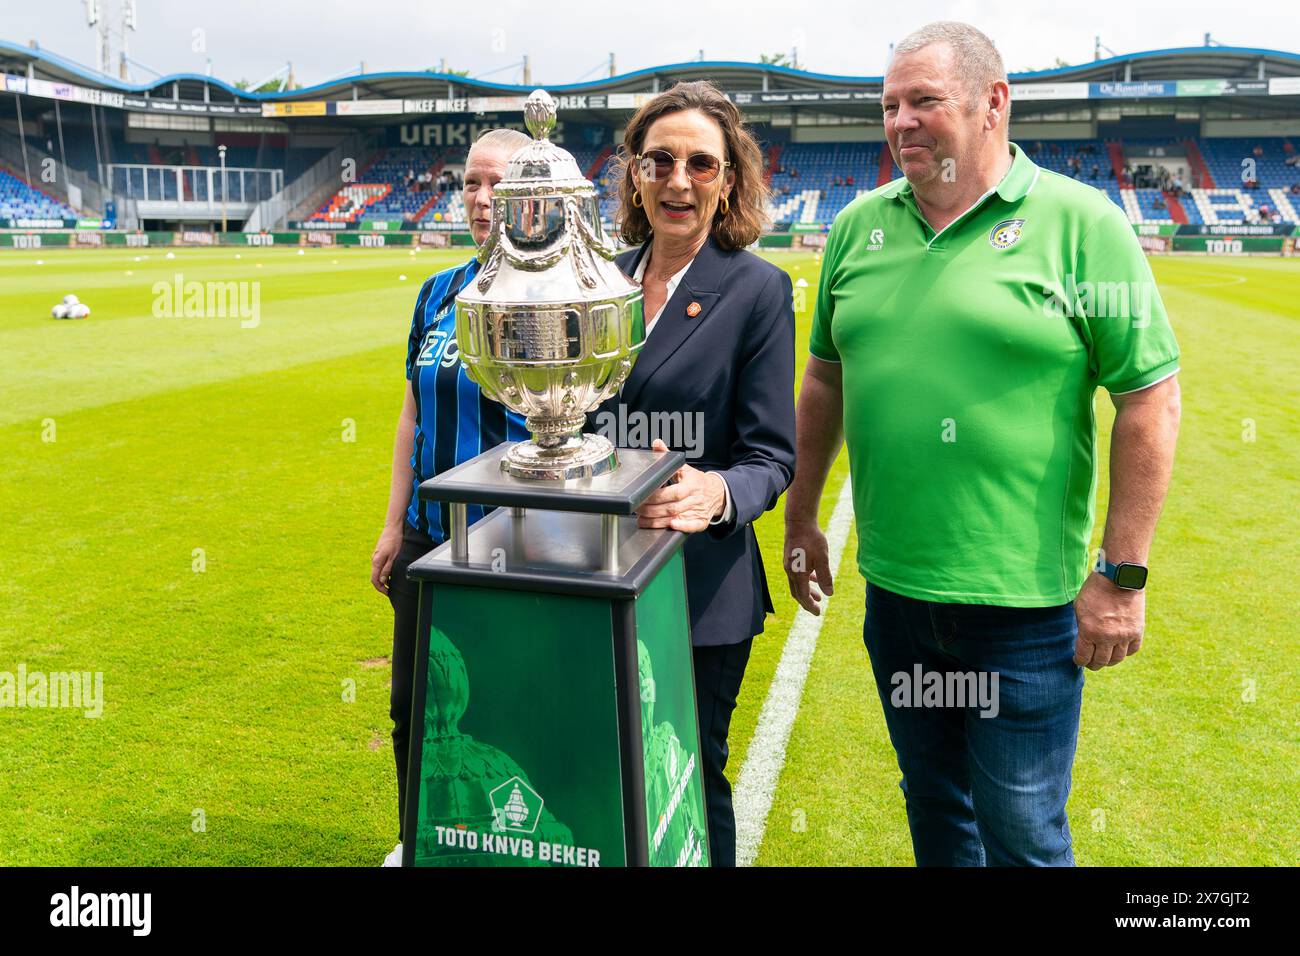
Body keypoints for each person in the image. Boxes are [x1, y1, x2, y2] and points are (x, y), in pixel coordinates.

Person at [784, 21, 1181, 867]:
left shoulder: (1083, 225)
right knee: (933, 806)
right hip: (896, 597)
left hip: (1025, 612)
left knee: (1024, 835)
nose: (900, 123)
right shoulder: (857, 228)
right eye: (889, 106)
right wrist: (801, 515)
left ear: (994, 101)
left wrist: (1123, 574)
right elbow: (823, 379)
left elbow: (1149, 398)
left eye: (924, 101)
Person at [597, 79, 796, 866]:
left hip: (698, 587)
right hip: (594, 570)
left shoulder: (756, 290)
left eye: (701, 165)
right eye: (661, 161)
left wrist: (717, 492)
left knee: (685, 772)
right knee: (601, 764)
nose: (679, 181)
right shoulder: (596, 281)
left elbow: (771, 456)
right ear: (635, 175)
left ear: (729, 181)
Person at [370, 127, 534, 868]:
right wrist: (391, 527)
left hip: (511, 544)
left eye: (497, 183)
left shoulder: (549, 296)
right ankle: (422, 840)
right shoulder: (438, 292)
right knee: (414, 707)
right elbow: (413, 411)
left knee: (500, 706)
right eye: (470, 182)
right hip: (427, 537)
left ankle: (508, 844)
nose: (479, 198)